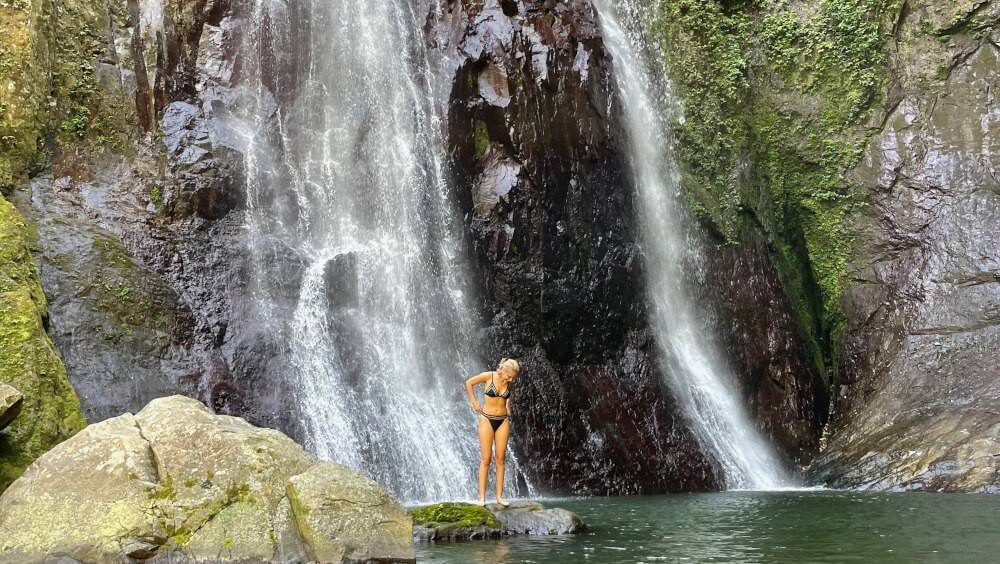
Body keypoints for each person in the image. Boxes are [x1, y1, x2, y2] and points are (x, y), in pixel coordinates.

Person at [465, 358, 520, 507]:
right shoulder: (488, 376)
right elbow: (469, 383)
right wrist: (474, 403)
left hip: (503, 421)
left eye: (513, 378)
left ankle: (499, 497)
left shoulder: (509, 382)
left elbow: (509, 395)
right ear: (503, 371)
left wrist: (508, 406)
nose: (511, 379)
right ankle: (481, 497)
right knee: (486, 458)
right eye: (510, 376)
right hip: (487, 419)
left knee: (500, 458)